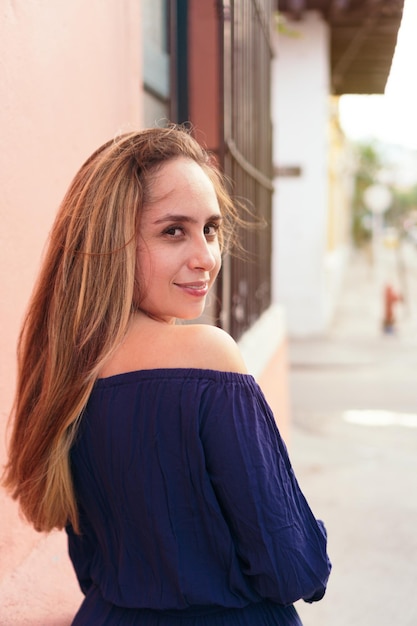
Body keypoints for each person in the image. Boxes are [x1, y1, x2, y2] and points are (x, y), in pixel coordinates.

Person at [3, 125, 331, 625]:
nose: (205, 257)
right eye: (173, 231)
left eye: (211, 229)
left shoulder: (64, 372)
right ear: (110, 242)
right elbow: (294, 567)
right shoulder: (209, 357)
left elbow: (89, 565)